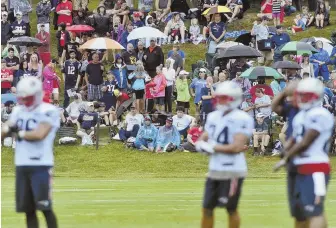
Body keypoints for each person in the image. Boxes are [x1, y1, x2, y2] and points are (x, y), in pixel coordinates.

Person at [273, 78, 333, 228]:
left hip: (315, 165)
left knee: (314, 211)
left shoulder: (320, 114)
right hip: (299, 165)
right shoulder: (300, 115)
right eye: (301, 95)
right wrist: (285, 151)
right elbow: (295, 138)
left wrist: (286, 155)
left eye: (306, 95)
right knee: (300, 213)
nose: (302, 98)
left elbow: (306, 142)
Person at [1, 77, 59, 228]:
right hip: (22, 163)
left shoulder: (48, 110)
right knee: (28, 210)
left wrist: (17, 133)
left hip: (41, 164)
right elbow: (5, 129)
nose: (26, 101)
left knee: (45, 208)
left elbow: (40, 134)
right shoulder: (18, 110)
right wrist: (7, 129)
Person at [195, 81, 254, 228]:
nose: (219, 101)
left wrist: (212, 148)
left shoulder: (242, 118)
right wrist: (200, 143)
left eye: (223, 98)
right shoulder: (213, 116)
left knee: (231, 209)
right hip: (215, 168)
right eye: (219, 97)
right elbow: (205, 135)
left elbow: (237, 147)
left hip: (232, 169)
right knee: (207, 208)